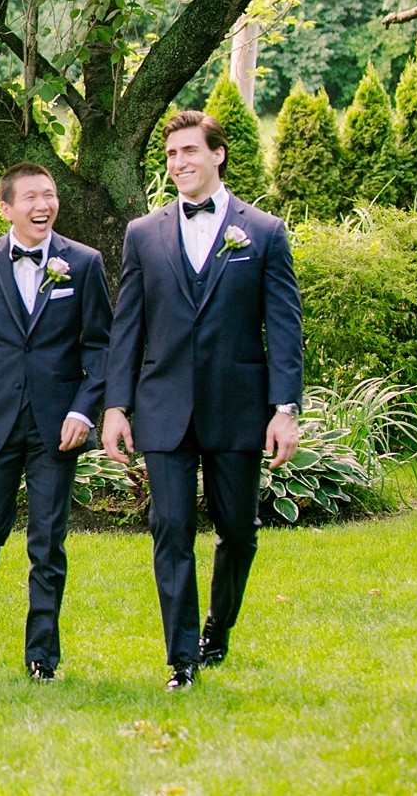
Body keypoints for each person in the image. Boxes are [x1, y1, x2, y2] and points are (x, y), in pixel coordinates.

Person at [103, 110, 304, 691]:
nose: (179, 163)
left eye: (189, 151)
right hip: (163, 405)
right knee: (171, 528)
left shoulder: (262, 232)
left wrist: (284, 409)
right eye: (170, 155)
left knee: (238, 532)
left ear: (218, 154)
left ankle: (218, 630)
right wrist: (117, 407)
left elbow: (283, 327)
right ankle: (182, 658)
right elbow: (128, 327)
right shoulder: (143, 233)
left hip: (238, 405)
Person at [0, 163, 112, 681]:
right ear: (6, 207)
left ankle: (42, 652)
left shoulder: (82, 264)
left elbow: (99, 346)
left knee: (47, 541)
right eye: (32, 197)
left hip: (57, 425)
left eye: (50, 195)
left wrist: (84, 410)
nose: (43, 205)